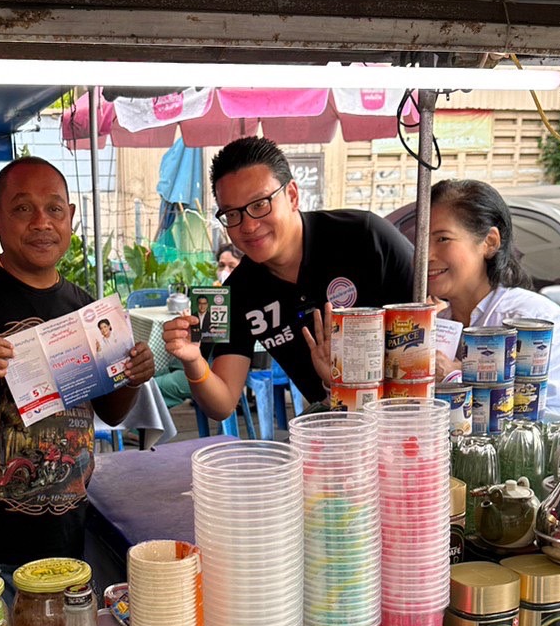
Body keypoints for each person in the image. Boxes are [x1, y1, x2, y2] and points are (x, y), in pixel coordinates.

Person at [0, 157, 155, 584]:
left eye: (54, 208)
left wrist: (132, 376)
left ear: (70, 217)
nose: (41, 222)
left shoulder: (87, 311)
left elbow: (111, 414)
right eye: (22, 208)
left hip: (71, 538)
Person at [163, 136, 414, 419]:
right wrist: (193, 361)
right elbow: (222, 405)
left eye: (260, 204)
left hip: (406, 416)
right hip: (335, 428)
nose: (248, 226)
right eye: (232, 214)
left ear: (292, 195)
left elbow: (430, 329)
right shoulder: (235, 291)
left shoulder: (366, 237)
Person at [425, 178, 560, 422]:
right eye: (421, 240)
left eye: (443, 239)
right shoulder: (437, 325)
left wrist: (459, 378)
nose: (427, 254)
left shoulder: (535, 322)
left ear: (489, 242)